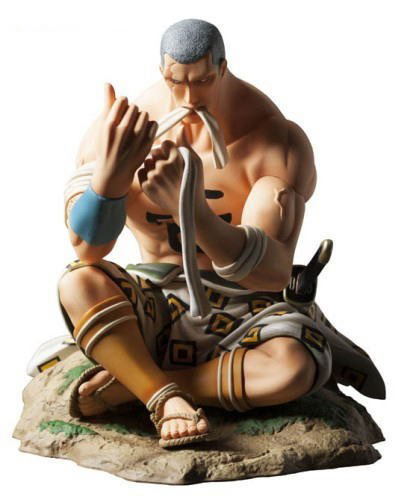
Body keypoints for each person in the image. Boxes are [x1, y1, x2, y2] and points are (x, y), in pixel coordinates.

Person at [59, 19, 384, 449]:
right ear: (162, 72)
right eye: (177, 82)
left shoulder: (274, 140)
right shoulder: (124, 128)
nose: (190, 98)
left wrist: (194, 211)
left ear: (223, 68)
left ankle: (136, 384)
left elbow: (270, 275)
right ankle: (164, 398)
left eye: (203, 81)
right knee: (78, 282)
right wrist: (111, 179)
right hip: (155, 301)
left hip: (247, 311)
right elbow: (87, 248)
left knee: (294, 367)